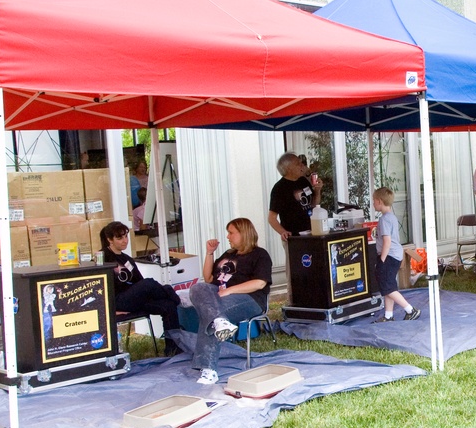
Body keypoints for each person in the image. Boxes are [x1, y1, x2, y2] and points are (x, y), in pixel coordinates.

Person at [187, 218, 273, 384]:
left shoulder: (260, 255)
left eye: (231, 232)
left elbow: (260, 283)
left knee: (210, 314)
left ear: (244, 233)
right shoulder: (228, 254)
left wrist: (230, 290)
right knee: (197, 288)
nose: (228, 236)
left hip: (249, 298)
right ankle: (220, 321)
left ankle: (209, 370)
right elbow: (209, 278)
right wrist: (209, 253)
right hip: (218, 295)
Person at [99, 221, 182, 356]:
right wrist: (109, 309)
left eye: (126, 236)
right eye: (120, 238)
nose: (125, 241)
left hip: (134, 300)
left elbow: (139, 282)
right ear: (110, 239)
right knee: (149, 283)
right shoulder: (102, 258)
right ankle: (171, 293)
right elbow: (100, 288)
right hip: (118, 302)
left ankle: (173, 349)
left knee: (168, 305)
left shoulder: (127, 259)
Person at [370, 188, 421, 322]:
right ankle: (388, 315)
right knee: (388, 285)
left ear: (380, 201)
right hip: (395, 255)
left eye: (374, 200)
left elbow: (387, 242)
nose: (373, 203)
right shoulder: (391, 217)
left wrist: (381, 260)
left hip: (389, 256)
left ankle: (410, 310)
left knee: (388, 287)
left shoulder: (384, 220)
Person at [267, 152, 321, 241]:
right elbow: (271, 218)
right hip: (294, 237)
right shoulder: (279, 189)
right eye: (298, 164)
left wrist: (318, 191)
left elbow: (314, 205)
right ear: (289, 168)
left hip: (312, 233)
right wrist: (283, 232)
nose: (302, 166)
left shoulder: (303, 181)